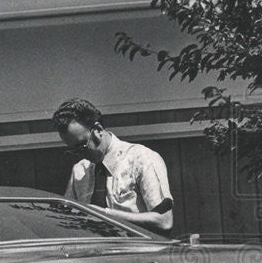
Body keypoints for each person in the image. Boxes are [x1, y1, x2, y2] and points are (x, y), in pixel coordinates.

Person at [53, 98, 174, 234]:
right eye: (72, 150)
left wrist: (106, 215)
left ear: (98, 130)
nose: (78, 154)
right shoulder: (79, 171)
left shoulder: (141, 158)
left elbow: (164, 221)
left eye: (81, 146)